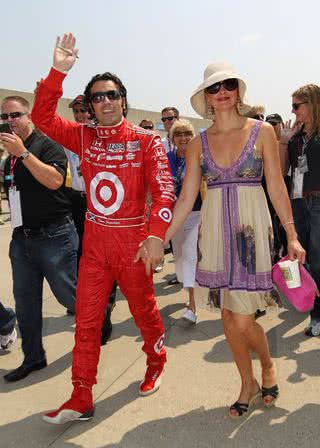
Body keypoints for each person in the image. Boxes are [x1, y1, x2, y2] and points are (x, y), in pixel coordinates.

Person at [31, 33, 174, 424]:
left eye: (111, 94)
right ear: (90, 105)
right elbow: (41, 118)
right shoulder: (83, 136)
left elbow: (164, 191)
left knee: (144, 313)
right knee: (87, 321)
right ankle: (81, 396)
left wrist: (155, 236)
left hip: (133, 246)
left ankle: (156, 361)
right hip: (94, 246)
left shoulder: (148, 142)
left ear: (123, 99)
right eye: (97, 97)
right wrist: (58, 71)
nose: (105, 101)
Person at [165, 62, 305, 418]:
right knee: (228, 317)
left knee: (242, 319)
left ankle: (268, 366)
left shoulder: (261, 132)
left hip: (251, 235)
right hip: (213, 235)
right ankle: (248, 382)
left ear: (238, 90)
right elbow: (186, 198)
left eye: (228, 84)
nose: (222, 91)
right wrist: (159, 237)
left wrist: (291, 234)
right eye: (215, 87)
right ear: (206, 98)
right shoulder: (197, 143)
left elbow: (276, 185)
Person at [0, 95, 78, 382]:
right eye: (5, 117)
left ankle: (97, 326)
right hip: (22, 239)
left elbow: (55, 180)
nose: (10, 121)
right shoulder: (8, 159)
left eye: (15, 115)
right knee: (25, 303)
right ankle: (33, 358)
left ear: (29, 115)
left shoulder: (48, 146)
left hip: (55, 236)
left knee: (69, 295)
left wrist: (23, 153)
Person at [67, 94, 116, 343]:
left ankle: (105, 309)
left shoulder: (103, 138)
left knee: (105, 258)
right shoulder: (69, 139)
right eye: (76, 112)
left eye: (85, 111)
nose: (81, 116)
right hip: (76, 201)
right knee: (81, 256)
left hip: (103, 203)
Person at [280, 84, 320, 337]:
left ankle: (316, 315)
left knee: (317, 259)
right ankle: (307, 302)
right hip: (297, 201)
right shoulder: (294, 137)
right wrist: (283, 142)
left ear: (312, 104)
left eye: (297, 106)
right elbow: (284, 171)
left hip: (318, 202)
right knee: (301, 258)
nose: (293, 111)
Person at [167, 119, 201, 324]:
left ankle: (193, 306)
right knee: (179, 256)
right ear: (172, 139)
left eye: (187, 133)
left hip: (196, 213)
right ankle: (189, 288)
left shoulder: (199, 157)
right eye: (178, 134)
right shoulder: (168, 158)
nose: (183, 138)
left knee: (189, 256)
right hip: (173, 216)